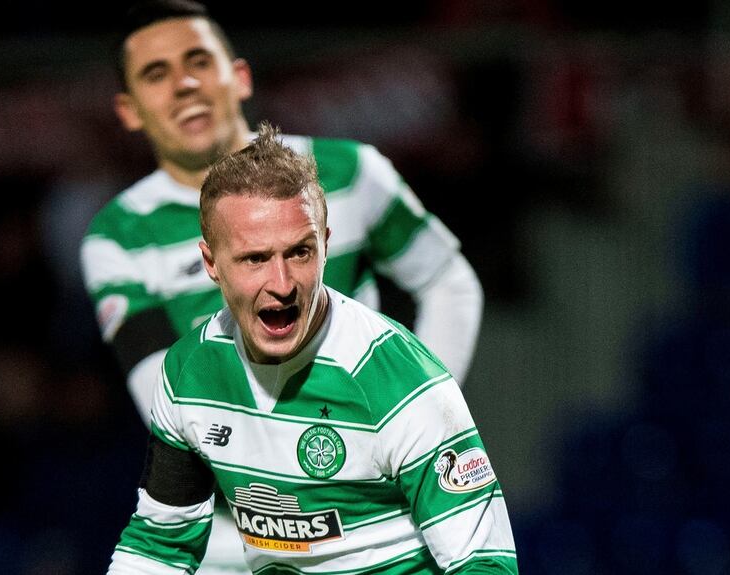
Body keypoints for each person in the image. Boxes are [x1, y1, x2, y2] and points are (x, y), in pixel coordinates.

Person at [80, 1, 486, 571]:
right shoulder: (119, 235)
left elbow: (449, 281)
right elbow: (162, 393)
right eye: (157, 73)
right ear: (128, 111)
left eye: (199, 60)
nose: (185, 83)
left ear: (240, 76)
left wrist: (413, 418)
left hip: (371, 511)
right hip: (231, 533)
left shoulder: (349, 172)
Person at [105, 123, 517, 574]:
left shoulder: (397, 379)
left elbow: (484, 564)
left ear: (325, 246)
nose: (281, 285)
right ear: (211, 264)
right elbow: (160, 545)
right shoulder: (189, 373)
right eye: (255, 258)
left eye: (299, 253)